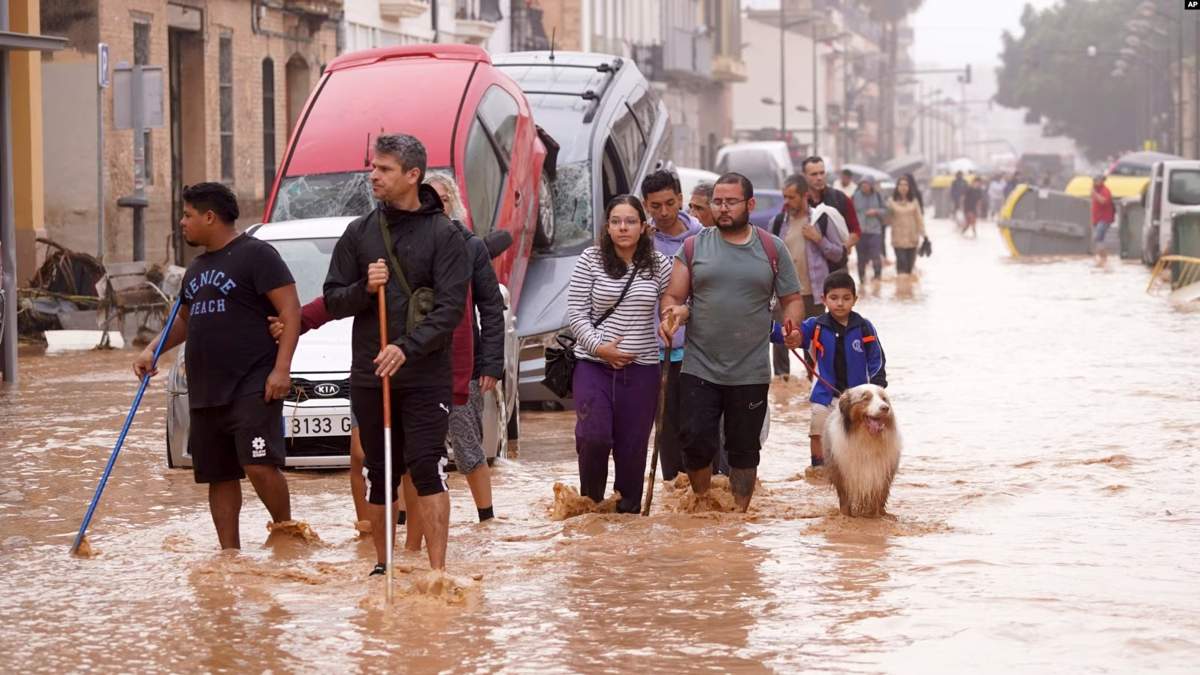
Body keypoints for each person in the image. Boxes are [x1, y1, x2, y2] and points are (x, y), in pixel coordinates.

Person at [324, 133, 468, 575]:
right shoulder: (359, 233)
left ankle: (438, 572)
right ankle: (382, 567)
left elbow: (449, 311)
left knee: (427, 465)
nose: (373, 176)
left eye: (384, 169)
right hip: (372, 374)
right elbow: (332, 299)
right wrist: (364, 288)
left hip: (425, 375)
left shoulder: (445, 235)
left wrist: (406, 348)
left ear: (412, 175)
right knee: (378, 470)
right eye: (373, 167)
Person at [133, 182, 301, 550]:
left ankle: (287, 533)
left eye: (188, 215)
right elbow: (185, 320)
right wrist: (152, 351)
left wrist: (282, 369)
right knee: (218, 475)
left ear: (210, 217)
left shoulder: (257, 255)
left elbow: (290, 310)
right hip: (207, 389)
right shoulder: (196, 268)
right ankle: (230, 555)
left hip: (253, 383)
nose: (182, 222)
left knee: (258, 464)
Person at [660, 173, 805, 512]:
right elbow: (673, 295)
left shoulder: (772, 248)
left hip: (750, 370)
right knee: (695, 441)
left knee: (743, 450)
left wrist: (792, 326)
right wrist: (672, 315)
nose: (722, 209)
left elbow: (792, 298)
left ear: (749, 205)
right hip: (700, 366)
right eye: (718, 202)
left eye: (731, 202)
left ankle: (739, 515)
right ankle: (702, 503)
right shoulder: (694, 246)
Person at [567, 195, 673, 514]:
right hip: (592, 365)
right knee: (594, 437)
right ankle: (591, 508)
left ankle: (627, 521)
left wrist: (671, 319)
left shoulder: (659, 265)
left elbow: (675, 301)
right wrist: (600, 348)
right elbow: (575, 313)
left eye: (630, 221)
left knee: (633, 450)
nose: (623, 227)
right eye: (616, 221)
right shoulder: (590, 259)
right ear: (607, 226)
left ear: (643, 227)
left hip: (641, 371)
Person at [642, 170, 703, 483]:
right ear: (646, 205)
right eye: (655, 206)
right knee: (665, 430)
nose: (663, 212)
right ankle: (673, 491)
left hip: (699, 352)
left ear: (680, 199)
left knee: (698, 428)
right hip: (655, 353)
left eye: (669, 203)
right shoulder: (641, 243)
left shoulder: (702, 239)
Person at [798, 271, 887, 467]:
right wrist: (775, 331)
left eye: (846, 298)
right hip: (824, 394)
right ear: (824, 299)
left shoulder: (864, 327)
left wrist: (877, 388)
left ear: (855, 299)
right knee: (817, 432)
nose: (840, 303)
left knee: (860, 434)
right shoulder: (815, 326)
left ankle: (859, 468)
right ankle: (818, 469)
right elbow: (794, 335)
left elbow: (876, 359)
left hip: (858, 398)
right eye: (834, 298)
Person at [768, 173, 844, 380]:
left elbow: (838, 253)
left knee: (813, 343)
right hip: (783, 293)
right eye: (784, 197)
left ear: (805, 196)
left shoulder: (821, 220)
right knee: (780, 342)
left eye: (791, 197)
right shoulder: (776, 223)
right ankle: (783, 386)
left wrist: (818, 239)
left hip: (814, 293)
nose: (786, 202)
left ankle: (814, 384)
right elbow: (767, 258)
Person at [801, 157, 861, 254]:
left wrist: (842, 249)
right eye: (814, 174)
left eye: (822, 173)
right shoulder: (798, 201)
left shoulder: (840, 199)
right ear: (804, 176)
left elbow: (855, 231)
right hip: (808, 263)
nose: (819, 178)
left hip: (837, 266)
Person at [887, 174, 925, 278]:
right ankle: (900, 292)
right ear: (897, 187)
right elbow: (887, 220)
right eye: (901, 185)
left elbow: (919, 219)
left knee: (909, 269)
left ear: (909, 187)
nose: (903, 187)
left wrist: (924, 235)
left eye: (906, 185)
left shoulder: (914, 201)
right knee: (901, 267)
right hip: (898, 240)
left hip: (912, 239)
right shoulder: (891, 202)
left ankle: (907, 293)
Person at [852, 178, 886, 282]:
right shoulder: (855, 196)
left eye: (866, 184)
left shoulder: (878, 196)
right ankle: (862, 281)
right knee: (861, 258)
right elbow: (849, 211)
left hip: (875, 231)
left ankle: (877, 278)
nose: (864, 186)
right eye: (862, 184)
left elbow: (886, 210)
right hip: (860, 231)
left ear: (871, 185)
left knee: (876, 255)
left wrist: (876, 211)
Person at [1091, 174, 1115, 266]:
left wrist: (1095, 195)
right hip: (1097, 219)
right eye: (1094, 180)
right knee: (1099, 239)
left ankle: (1103, 258)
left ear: (1101, 181)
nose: (1095, 182)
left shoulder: (1105, 191)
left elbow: (1103, 201)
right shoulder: (1096, 191)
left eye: (1097, 180)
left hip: (1104, 219)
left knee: (1098, 238)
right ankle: (1102, 258)